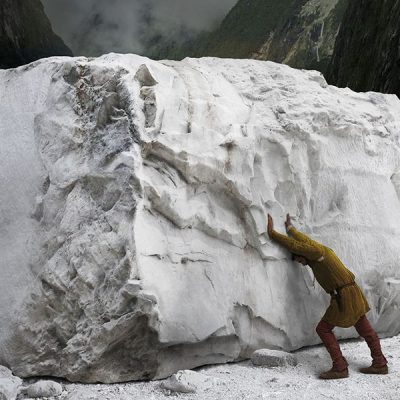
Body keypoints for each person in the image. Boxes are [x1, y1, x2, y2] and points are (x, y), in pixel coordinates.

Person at [267, 213, 388, 379]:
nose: (301, 263)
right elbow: (304, 241)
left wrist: (273, 233)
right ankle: (380, 364)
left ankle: (340, 367)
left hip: (343, 296)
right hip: (352, 292)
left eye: (299, 260)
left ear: (303, 256)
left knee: (323, 329)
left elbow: (296, 245)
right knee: (365, 329)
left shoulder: (315, 253)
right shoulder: (319, 250)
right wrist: (291, 228)